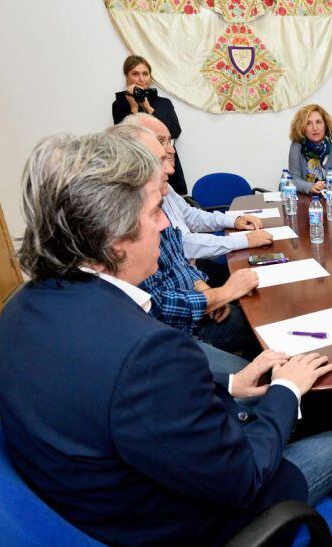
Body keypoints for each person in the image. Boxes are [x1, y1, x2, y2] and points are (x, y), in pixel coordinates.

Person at [0, 131, 332, 546]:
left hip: (99, 496)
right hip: (184, 524)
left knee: (266, 401)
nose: (166, 223)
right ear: (113, 235)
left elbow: (125, 399)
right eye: (155, 211)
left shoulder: (21, 306)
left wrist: (230, 384)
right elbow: (242, 477)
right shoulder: (147, 351)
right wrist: (285, 389)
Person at [106, 123, 259, 364]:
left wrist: (204, 288)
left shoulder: (158, 201)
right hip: (178, 338)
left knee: (259, 320)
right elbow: (158, 305)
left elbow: (178, 256)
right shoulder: (126, 224)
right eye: (160, 156)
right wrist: (221, 294)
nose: (171, 159)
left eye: (169, 144)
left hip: (195, 308)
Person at [122, 113, 272, 284]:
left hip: (192, 271)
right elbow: (184, 244)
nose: (171, 149)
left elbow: (192, 217)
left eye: (170, 141)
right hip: (184, 281)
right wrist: (244, 240)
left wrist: (234, 220)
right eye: (161, 141)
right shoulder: (135, 198)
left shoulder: (165, 185)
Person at [112, 55, 188, 195]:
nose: (142, 79)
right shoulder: (120, 105)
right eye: (135, 74)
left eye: (145, 74)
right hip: (139, 170)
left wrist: (147, 107)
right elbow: (126, 139)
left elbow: (175, 132)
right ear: (127, 77)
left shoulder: (164, 103)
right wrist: (134, 108)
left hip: (169, 167)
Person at [288, 104, 332, 194]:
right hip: (306, 199)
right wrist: (311, 187)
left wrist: (325, 185)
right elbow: (293, 180)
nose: (315, 128)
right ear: (302, 127)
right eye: (308, 123)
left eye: (318, 122)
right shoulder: (297, 145)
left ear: (325, 125)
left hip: (331, 198)